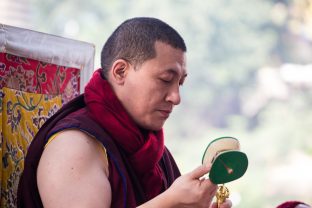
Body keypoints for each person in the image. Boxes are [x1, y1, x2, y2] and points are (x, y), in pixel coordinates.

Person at [17, 17, 232, 208]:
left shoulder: (151, 147)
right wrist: (170, 202)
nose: (176, 97)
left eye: (180, 83)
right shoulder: (75, 146)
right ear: (120, 72)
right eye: (166, 80)